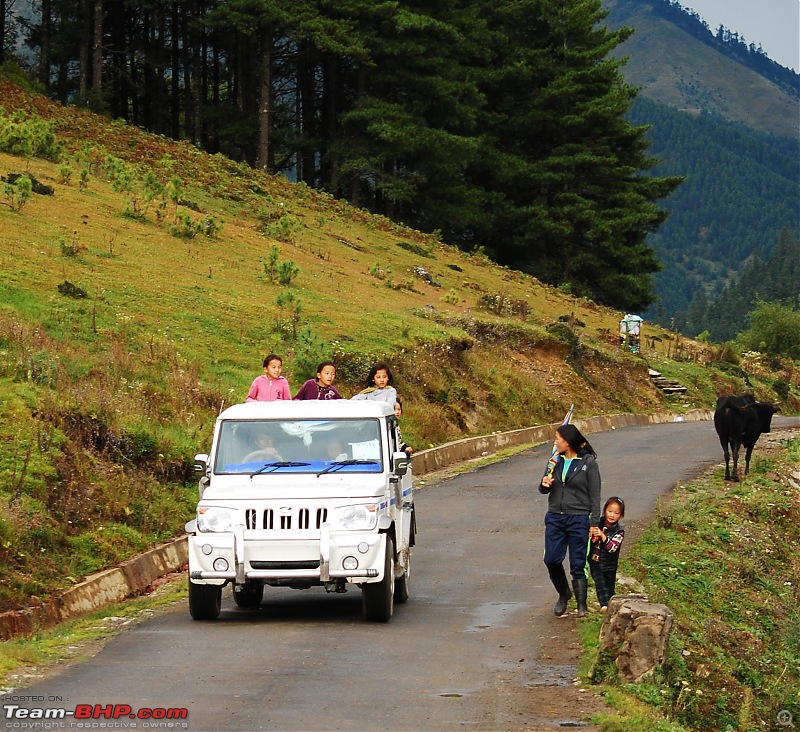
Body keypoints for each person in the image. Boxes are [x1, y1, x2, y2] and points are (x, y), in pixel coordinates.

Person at [538, 423, 601, 618]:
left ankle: (581, 605)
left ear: (568, 441)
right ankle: (564, 593)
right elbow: (543, 488)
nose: (555, 442)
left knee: (578, 561)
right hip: (555, 516)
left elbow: (595, 495)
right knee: (551, 559)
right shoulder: (554, 461)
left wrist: (593, 523)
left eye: (557, 438)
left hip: (579, 517)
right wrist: (544, 483)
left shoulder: (588, 462)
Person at [589, 497, 625, 611]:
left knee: (609, 586)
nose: (612, 515)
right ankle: (604, 605)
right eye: (610, 511)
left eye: (616, 513)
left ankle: (612, 606)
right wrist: (593, 537)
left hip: (610, 564)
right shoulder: (597, 523)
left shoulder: (619, 531)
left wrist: (603, 536)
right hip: (595, 561)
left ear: (621, 515)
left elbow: (612, 548)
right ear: (604, 510)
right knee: (600, 583)